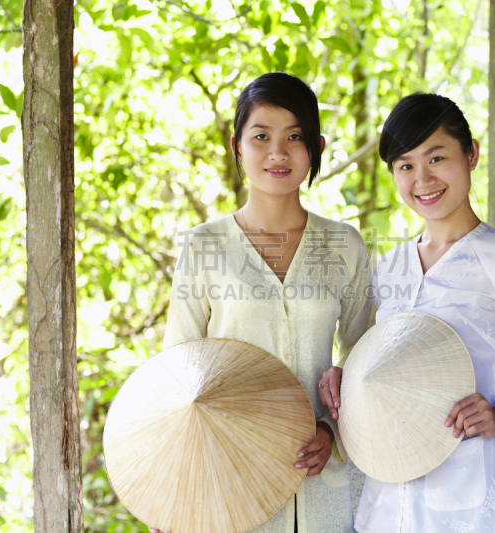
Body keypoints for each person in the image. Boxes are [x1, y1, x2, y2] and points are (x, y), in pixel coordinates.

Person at [319, 93, 495, 533]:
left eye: (436, 158)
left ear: (471, 154)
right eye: (405, 165)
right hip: (386, 500)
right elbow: (384, 363)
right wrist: (346, 375)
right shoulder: (390, 266)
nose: (422, 179)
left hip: (472, 497)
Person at [152, 72, 374, 533]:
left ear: (316, 146)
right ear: (237, 146)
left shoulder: (344, 245)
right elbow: (177, 371)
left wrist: (331, 432)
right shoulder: (204, 246)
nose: (278, 152)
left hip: (324, 484)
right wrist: (167, 489)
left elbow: (366, 358)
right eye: (261, 136)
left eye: (295, 136)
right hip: (230, 478)